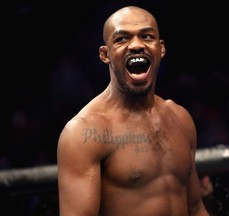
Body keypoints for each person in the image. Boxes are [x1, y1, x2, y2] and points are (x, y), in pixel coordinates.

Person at [57, 5, 210, 216]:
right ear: (105, 54)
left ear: (161, 48)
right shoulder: (83, 132)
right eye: (122, 39)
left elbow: (195, 208)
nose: (136, 45)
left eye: (146, 36)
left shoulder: (180, 118)